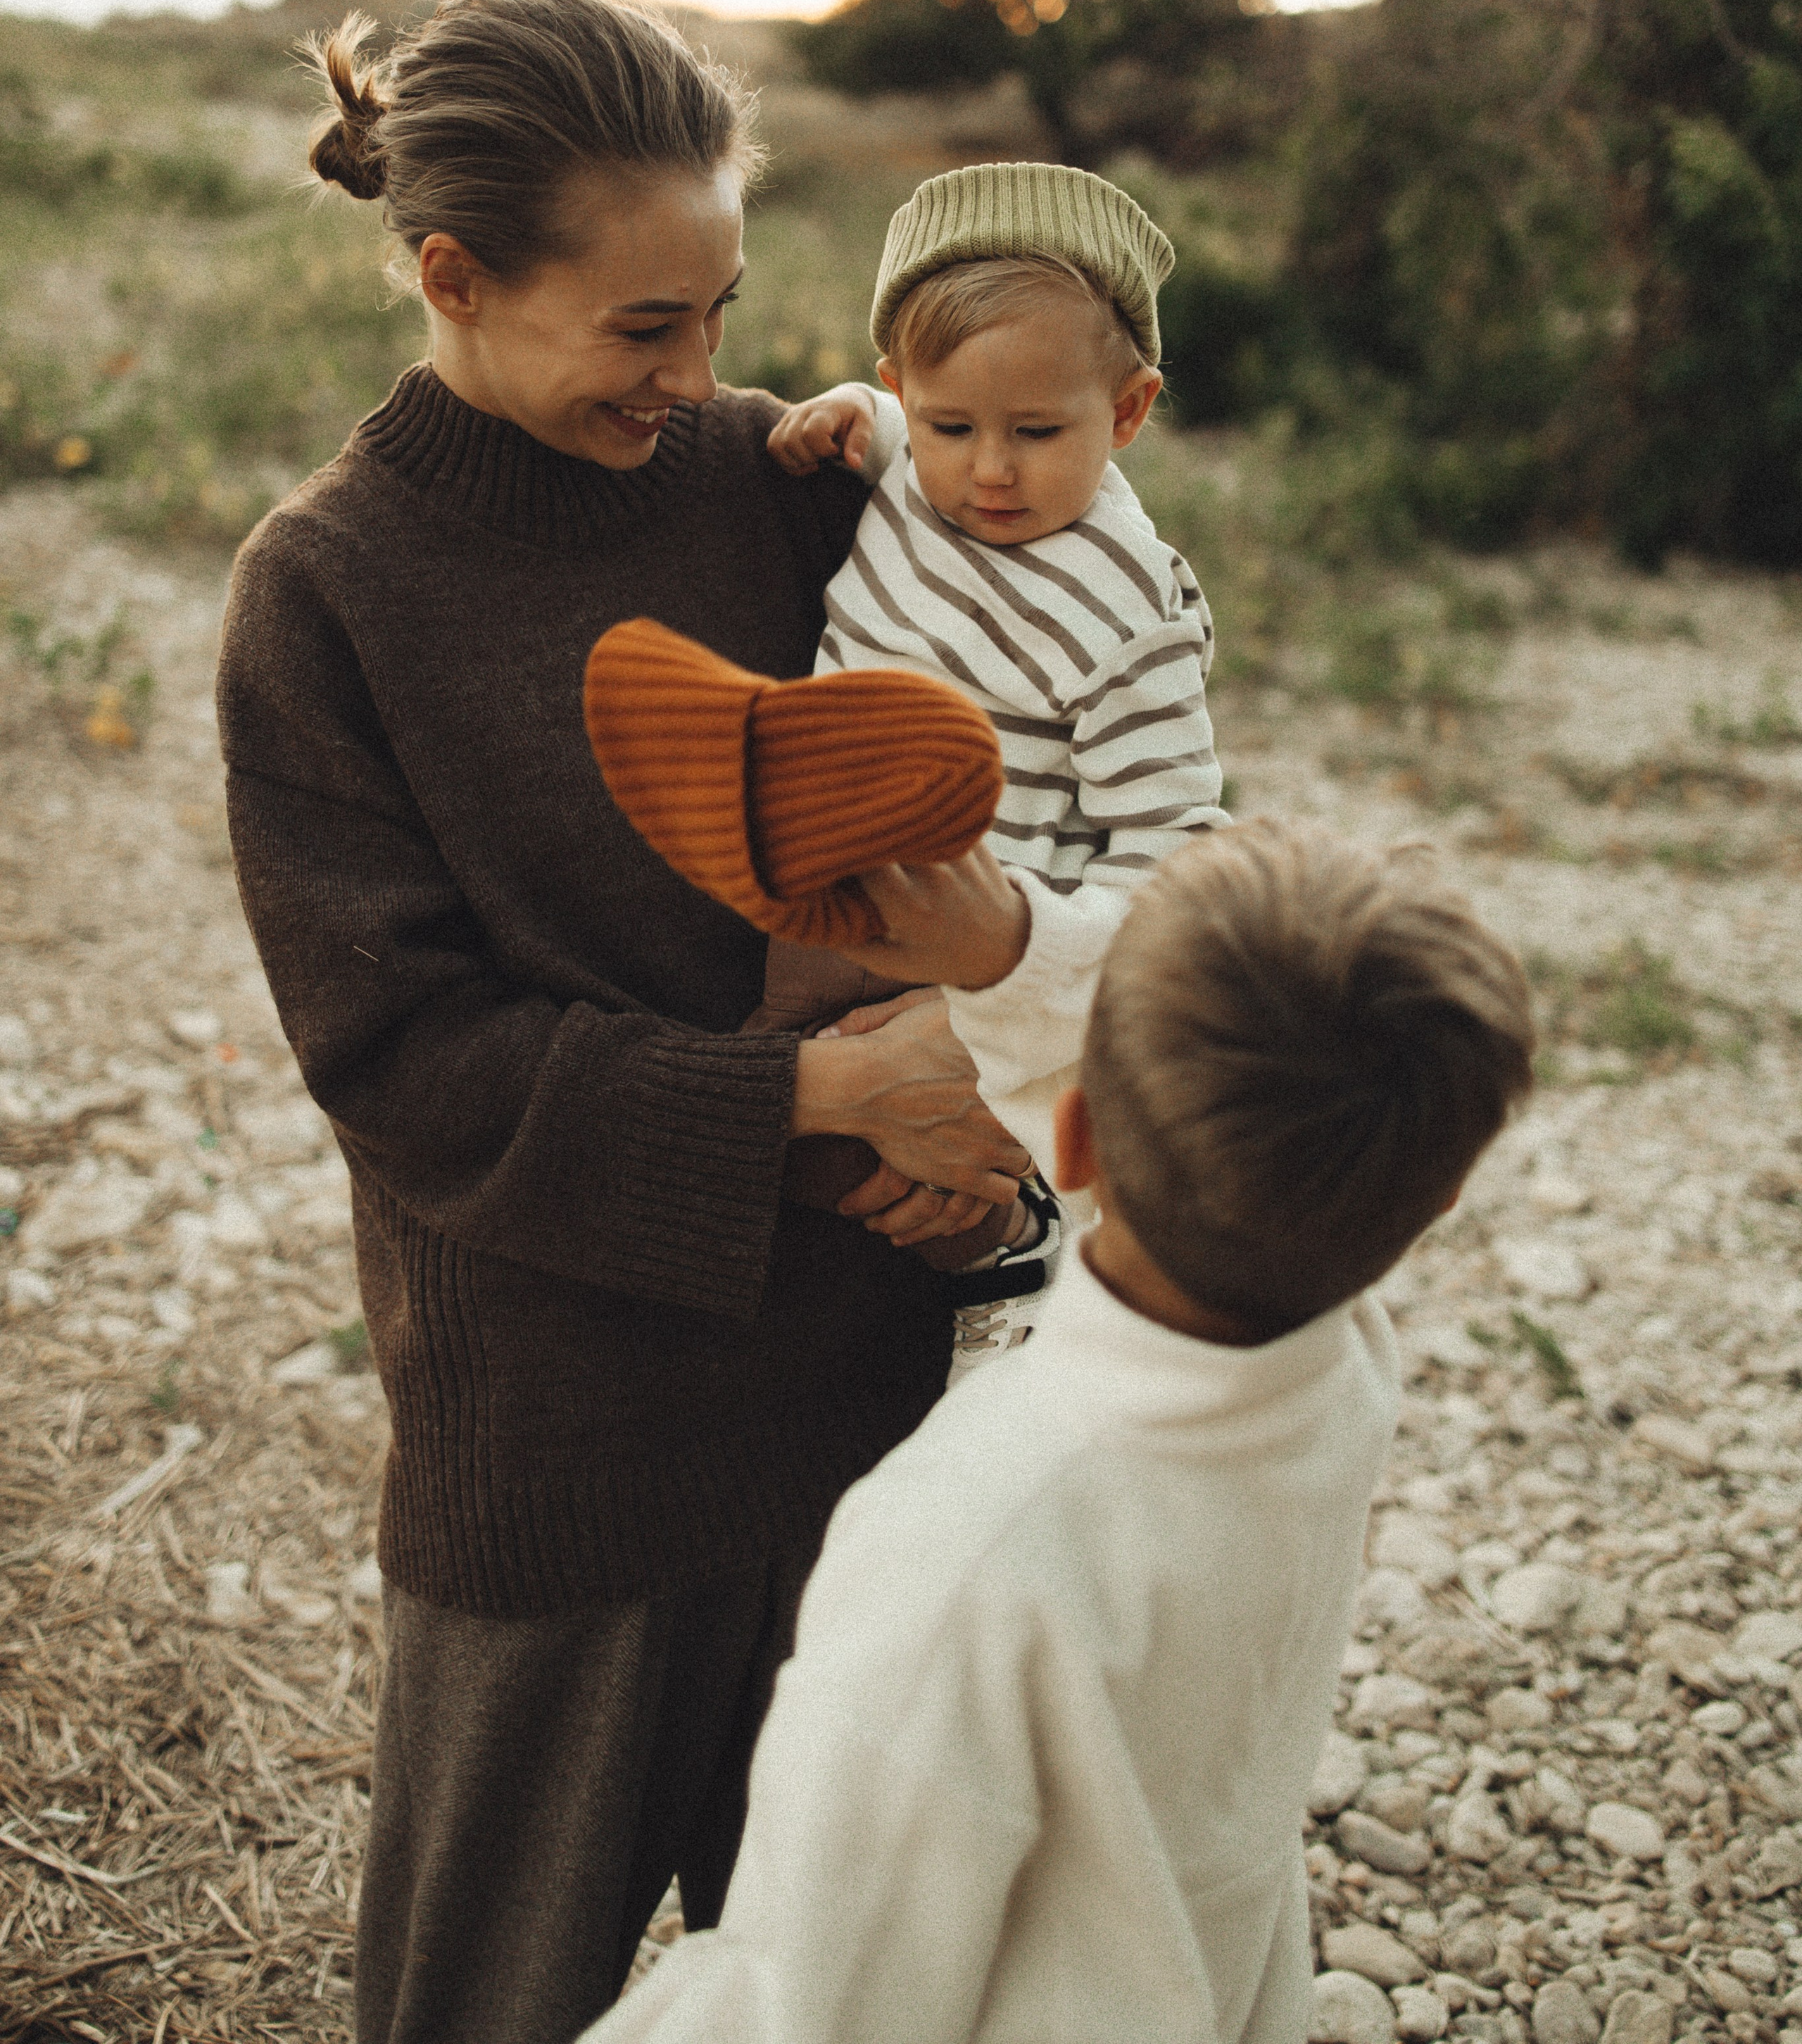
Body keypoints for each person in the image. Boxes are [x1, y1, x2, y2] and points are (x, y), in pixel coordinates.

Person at [213, 0, 1035, 2044]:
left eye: (728, 310)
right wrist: (810, 1099)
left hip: (868, 1403)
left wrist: (984, 1109)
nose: (707, 378)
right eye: (645, 329)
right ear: (454, 278)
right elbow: (400, 1063)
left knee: (858, 2001)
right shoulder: (325, 593)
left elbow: (1021, 782)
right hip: (565, 1451)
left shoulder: (782, 481)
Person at [581, 819, 1536, 2044]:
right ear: (1442, 1196)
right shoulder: (1339, 1368)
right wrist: (1010, 954)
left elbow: (807, 2003)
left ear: (1064, 1135)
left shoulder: (970, 1535)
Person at [762, 162, 1230, 1367]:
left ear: (1126, 413)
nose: (989, 473)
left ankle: (1022, 1262)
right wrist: (837, 415)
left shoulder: (1129, 609)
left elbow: (1170, 843)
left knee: (956, 1151)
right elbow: (874, 426)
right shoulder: (906, 460)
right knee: (784, 1111)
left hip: (983, 944)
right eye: (951, 426)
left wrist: (1026, 968)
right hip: (824, 884)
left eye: (1038, 432)